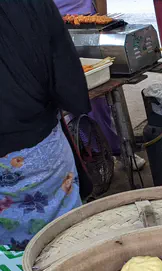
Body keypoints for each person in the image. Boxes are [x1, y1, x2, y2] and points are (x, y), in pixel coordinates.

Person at [0, 0, 89, 249]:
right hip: (40, 149)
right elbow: (63, 69)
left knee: (10, 269)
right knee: (65, 244)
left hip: (35, 148)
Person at [54, 0, 147, 171]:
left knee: (98, 101)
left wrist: (100, 22)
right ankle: (92, 155)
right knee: (67, 100)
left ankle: (119, 151)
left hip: (88, 23)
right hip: (52, 30)